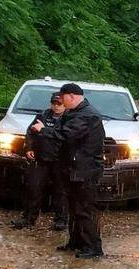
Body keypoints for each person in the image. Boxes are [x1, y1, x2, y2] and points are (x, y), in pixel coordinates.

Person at [31, 83, 105, 259]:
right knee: (74, 209)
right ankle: (76, 242)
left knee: (85, 210)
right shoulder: (74, 113)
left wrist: (43, 130)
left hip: (85, 170)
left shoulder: (87, 115)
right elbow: (60, 131)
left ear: (71, 96)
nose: (61, 102)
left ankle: (93, 247)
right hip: (73, 169)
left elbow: (66, 135)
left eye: (62, 98)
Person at [11, 92, 69, 230]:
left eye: (59, 104)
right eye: (54, 103)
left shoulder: (69, 118)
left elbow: (67, 136)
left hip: (59, 160)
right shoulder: (42, 115)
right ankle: (28, 218)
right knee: (33, 188)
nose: (56, 106)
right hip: (40, 158)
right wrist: (29, 148)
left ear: (65, 105)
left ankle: (61, 220)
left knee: (60, 191)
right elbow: (31, 132)